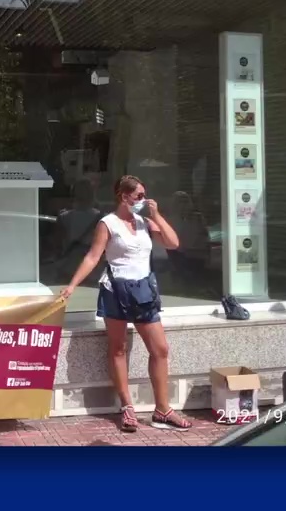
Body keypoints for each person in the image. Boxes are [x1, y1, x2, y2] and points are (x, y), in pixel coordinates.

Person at [60, 175, 188, 432]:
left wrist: (157, 215)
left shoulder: (145, 222)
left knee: (160, 349)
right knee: (118, 348)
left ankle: (163, 409)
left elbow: (173, 243)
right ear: (124, 196)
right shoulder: (108, 223)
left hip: (143, 290)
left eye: (144, 195)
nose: (144, 199)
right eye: (139, 195)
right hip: (116, 288)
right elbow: (93, 257)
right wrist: (72, 285)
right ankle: (127, 407)